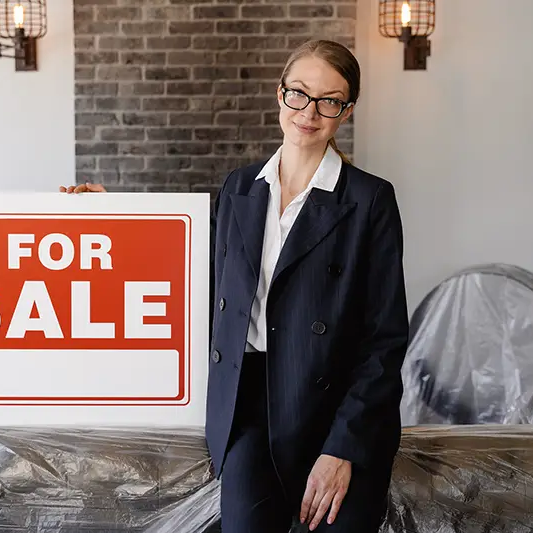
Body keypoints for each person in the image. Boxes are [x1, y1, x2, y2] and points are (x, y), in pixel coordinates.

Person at [61, 39, 408, 533]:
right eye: (299, 93)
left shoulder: (369, 199)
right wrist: (115, 213)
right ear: (279, 94)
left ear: (346, 111)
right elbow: (191, 261)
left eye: (329, 100)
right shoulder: (240, 187)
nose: (309, 111)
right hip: (248, 407)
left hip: (335, 411)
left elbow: (385, 339)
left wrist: (344, 448)